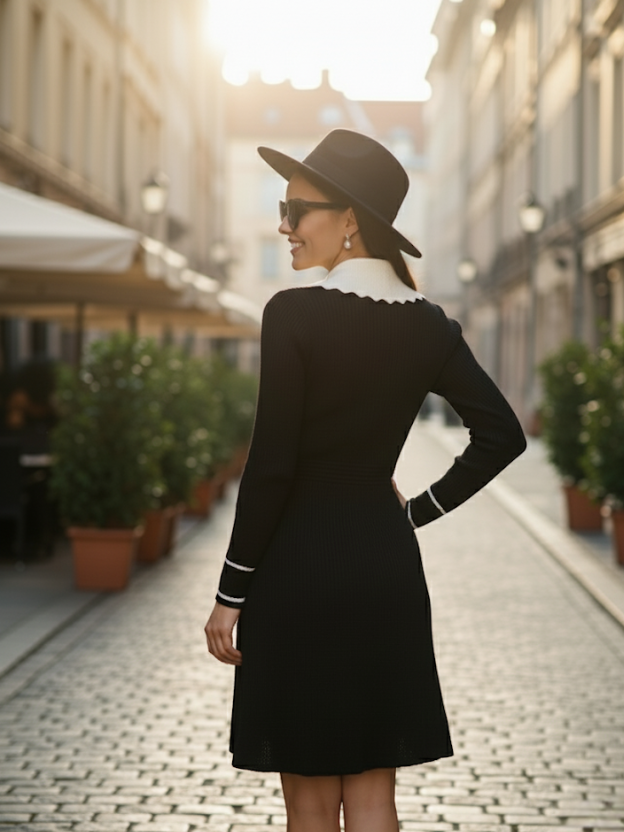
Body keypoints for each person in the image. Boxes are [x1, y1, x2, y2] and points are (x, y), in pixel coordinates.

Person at [205, 129, 526, 832]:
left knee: (312, 803)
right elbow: (504, 435)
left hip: (297, 576)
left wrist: (230, 594)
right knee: (376, 794)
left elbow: (273, 467)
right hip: (385, 570)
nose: (283, 225)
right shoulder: (430, 326)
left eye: (297, 210)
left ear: (350, 218)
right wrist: (418, 512)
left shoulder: (292, 313)